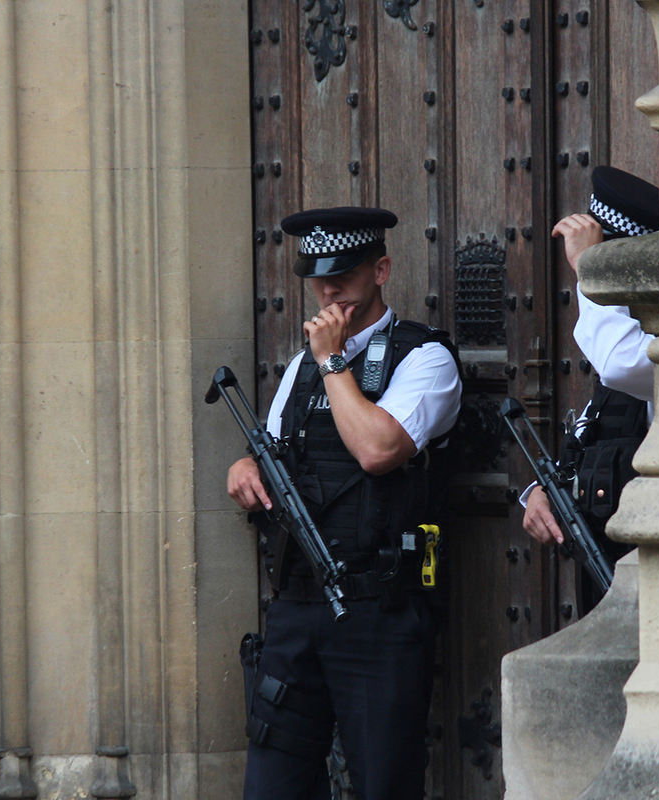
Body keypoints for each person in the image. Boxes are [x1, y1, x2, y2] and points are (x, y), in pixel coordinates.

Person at [227, 206, 463, 800]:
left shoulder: (425, 358)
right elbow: (276, 449)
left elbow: (379, 449)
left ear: (381, 269)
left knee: (384, 783)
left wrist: (334, 362)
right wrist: (245, 467)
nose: (329, 290)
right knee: (272, 785)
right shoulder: (304, 367)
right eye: (318, 277)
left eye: (345, 275)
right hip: (297, 609)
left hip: (375, 614)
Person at [521, 167, 659, 595]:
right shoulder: (625, 339)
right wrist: (543, 492)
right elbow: (598, 428)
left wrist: (589, 270)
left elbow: (621, 363)